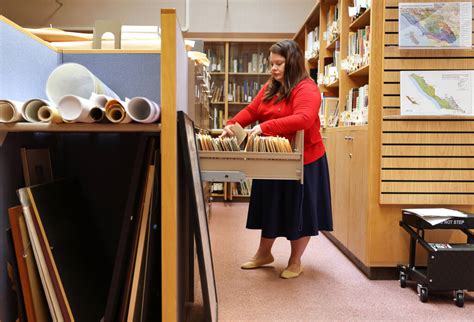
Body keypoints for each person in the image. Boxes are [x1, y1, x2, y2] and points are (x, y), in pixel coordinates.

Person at [220, 39, 333, 279]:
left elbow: (303, 118)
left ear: (291, 62)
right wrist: (233, 124)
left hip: (304, 161)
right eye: (271, 63)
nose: (273, 68)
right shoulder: (272, 85)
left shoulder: (307, 88)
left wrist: (265, 128)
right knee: (270, 205)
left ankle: (295, 261)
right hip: (272, 157)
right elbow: (252, 110)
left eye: (279, 63)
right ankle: (264, 253)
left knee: (298, 210)